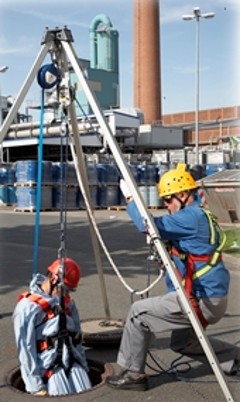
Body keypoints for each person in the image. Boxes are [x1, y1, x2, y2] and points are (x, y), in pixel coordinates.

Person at [106, 163, 240, 391]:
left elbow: (148, 225)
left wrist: (131, 200)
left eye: (168, 200)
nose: (166, 205)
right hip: (211, 296)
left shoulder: (191, 217)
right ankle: (234, 359)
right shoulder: (199, 214)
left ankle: (134, 374)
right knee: (182, 343)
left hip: (199, 298)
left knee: (138, 314)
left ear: (183, 194)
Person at [12, 257, 92, 396]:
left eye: (70, 291)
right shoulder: (27, 308)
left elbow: (76, 339)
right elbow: (26, 351)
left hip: (73, 363)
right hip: (49, 370)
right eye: (65, 290)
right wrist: (36, 387)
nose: (67, 295)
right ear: (54, 281)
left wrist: (84, 367)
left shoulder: (68, 304)